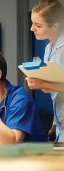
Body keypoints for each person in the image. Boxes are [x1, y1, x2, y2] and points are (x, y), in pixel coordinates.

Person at [27, 0, 64, 142]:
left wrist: (41, 84)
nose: (32, 29)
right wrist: (55, 124)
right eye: (32, 23)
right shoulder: (49, 47)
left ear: (55, 26)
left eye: (38, 25)